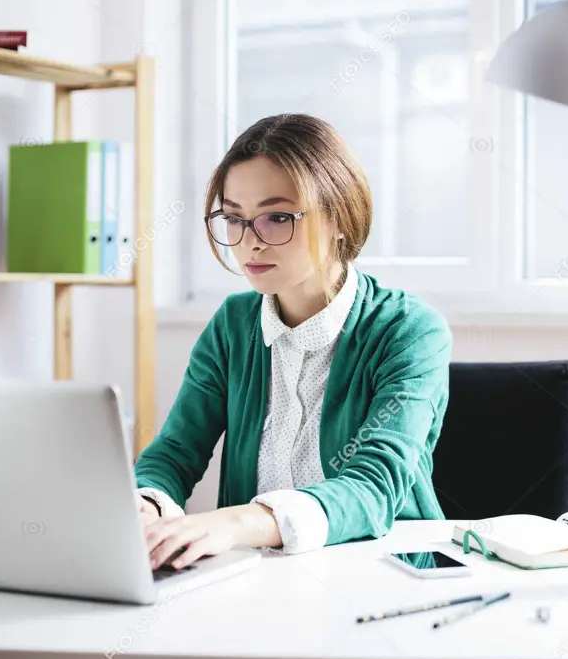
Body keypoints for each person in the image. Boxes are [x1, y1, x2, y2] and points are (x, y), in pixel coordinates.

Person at [133, 113, 451, 570]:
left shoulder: (410, 330)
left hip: (386, 578)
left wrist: (234, 523)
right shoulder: (232, 325)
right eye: (234, 219)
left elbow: (373, 487)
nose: (250, 243)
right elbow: (175, 452)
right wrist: (149, 503)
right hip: (259, 579)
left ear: (339, 217)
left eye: (277, 217)